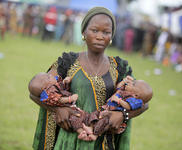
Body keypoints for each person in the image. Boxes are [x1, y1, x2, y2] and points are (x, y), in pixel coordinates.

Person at [29, 6, 149, 150]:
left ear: (111, 36)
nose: (100, 36)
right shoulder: (67, 62)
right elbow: (35, 93)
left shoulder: (120, 68)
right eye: (94, 30)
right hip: (67, 142)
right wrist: (57, 110)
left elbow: (143, 102)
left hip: (103, 143)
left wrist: (123, 115)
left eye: (106, 32)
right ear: (84, 32)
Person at [28, 72, 99, 141]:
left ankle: (89, 128)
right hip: (66, 110)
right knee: (74, 119)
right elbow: (59, 99)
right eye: (48, 77)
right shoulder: (49, 93)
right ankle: (81, 133)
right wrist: (70, 99)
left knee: (86, 116)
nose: (51, 75)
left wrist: (66, 81)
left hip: (72, 107)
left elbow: (61, 85)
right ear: (45, 88)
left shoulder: (54, 84)